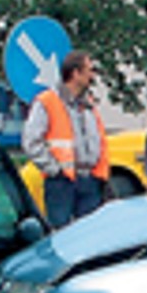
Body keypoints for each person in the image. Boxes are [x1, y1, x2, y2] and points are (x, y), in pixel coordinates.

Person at [25, 51, 107, 228]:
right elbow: (31, 142)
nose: (92, 76)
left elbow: (97, 138)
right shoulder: (48, 101)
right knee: (61, 237)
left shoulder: (88, 104)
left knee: (90, 236)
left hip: (89, 179)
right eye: (89, 70)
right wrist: (55, 169)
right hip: (61, 182)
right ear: (75, 73)